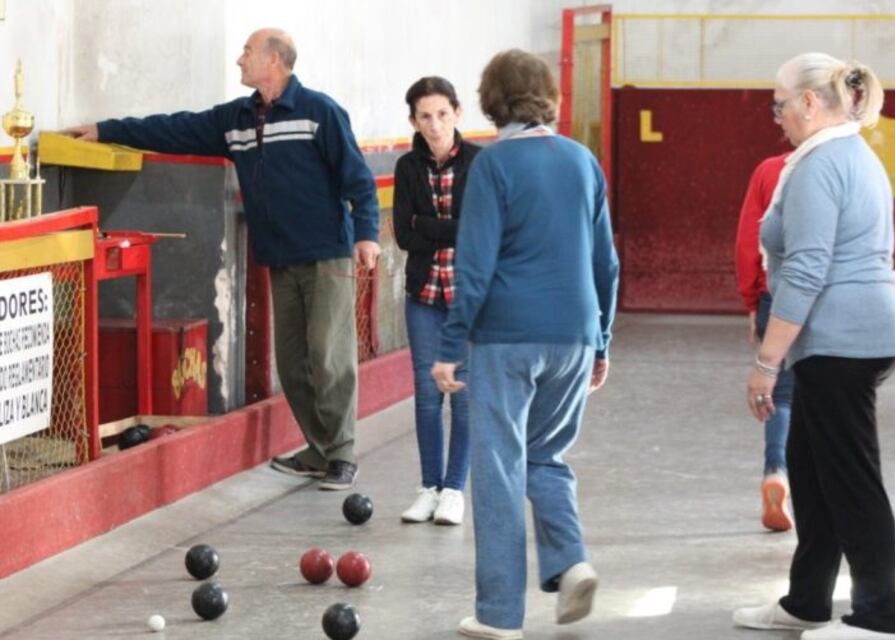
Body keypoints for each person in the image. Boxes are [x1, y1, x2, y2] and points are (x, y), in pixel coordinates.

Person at [64, 28, 380, 491]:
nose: (239, 60)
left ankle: (343, 454)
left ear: (274, 60)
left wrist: (368, 234)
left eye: (248, 52)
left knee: (329, 358)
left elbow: (359, 179)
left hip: (326, 255)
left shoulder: (320, 112)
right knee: (293, 363)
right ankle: (320, 449)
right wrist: (106, 130)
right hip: (281, 258)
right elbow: (173, 127)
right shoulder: (236, 119)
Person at [431, 49, 620, 639]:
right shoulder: (583, 161)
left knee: (498, 471)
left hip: (507, 337)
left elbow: (475, 266)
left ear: (492, 101)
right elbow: (606, 263)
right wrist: (601, 342)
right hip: (574, 333)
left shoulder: (493, 165)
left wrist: (450, 344)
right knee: (545, 456)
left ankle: (499, 616)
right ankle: (571, 561)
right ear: (547, 97)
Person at [732, 52, 895, 640]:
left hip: (845, 340)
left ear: (810, 102)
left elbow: (807, 269)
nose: (776, 117)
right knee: (810, 472)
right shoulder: (847, 153)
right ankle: (806, 601)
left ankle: (876, 618)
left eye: (779, 105)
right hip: (843, 337)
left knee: (850, 479)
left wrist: (766, 363)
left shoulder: (820, 164)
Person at [393, 77, 480, 525]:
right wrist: (451, 229)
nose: (435, 124)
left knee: (462, 394)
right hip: (424, 295)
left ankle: (454, 489)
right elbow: (403, 235)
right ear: (413, 121)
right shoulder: (408, 168)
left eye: (443, 114)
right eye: (425, 116)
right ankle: (429, 487)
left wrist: (428, 224)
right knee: (427, 394)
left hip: (467, 298)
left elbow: (480, 231)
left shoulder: (479, 163)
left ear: (457, 113)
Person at [734, 151, 795, 532]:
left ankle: (776, 471)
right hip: (829, 299)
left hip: (777, 292)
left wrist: (753, 300)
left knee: (781, 393)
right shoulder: (848, 165)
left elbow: (748, 241)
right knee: (824, 397)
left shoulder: (770, 170)